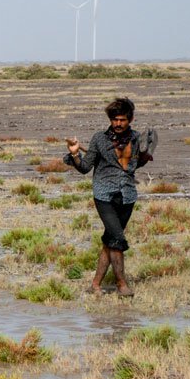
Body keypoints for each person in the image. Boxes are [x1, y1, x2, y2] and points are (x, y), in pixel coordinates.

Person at [63, 96, 155, 296]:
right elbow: (85, 168)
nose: (118, 124)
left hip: (127, 195)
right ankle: (122, 285)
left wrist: (145, 157)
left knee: (110, 240)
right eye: (115, 120)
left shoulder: (137, 139)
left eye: (122, 120)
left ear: (130, 119)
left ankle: (95, 284)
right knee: (117, 238)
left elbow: (135, 165)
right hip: (104, 194)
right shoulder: (99, 139)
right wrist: (75, 154)